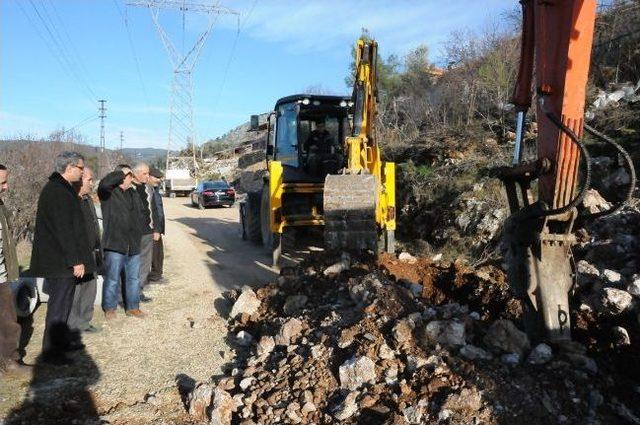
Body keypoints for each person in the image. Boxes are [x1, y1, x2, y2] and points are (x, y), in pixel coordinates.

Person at [30, 152, 96, 365]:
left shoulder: (62, 188)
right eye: (80, 167)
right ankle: (52, 354)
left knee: (63, 306)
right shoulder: (57, 191)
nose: (82, 171)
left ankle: (60, 344)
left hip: (61, 261)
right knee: (58, 308)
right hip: (59, 262)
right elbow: (64, 230)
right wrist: (75, 260)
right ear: (69, 168)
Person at [98, 165, 145, 319]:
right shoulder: (108, 193)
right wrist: (121, 172)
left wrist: (138, 232)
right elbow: (105, 183)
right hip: (115, 244)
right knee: (112, 279)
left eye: (131, 175)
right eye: (127, 175)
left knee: (133, 278)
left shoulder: (133, 193)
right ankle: (110, 308)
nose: (130, 178)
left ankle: (132, 307)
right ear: (119, 176)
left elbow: (140, 214)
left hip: (133, 244)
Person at [0, 164, 30, 377]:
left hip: (1, 275)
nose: (6, 187)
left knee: (8, 320)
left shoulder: (0, 205)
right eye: (2, 182)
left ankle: (9, 362)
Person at [68, 167, 101, 334]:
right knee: (76, 291)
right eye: (89, 180)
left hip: (92, 253)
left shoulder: (87, 199)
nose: (92, 183)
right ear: (79, 180)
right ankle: (72, 325)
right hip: (77, 256)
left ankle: (84, 322)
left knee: (90, 289)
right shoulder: (69, 200)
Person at [131, 163, 160, 300]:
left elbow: (154, 210)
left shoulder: (148, 189)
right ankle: (129, 293)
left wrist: (157, 229)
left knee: (145, 264)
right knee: (132, 264)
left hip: (148, 232)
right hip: (133, 233)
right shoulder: (128, 188)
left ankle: (139, 291)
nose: (148, 176)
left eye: (148, 173)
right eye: (145, 174)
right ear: (135, 174)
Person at [148, 167, 166, 284]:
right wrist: (156, 229)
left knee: (158, 253)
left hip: (157, 228)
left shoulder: (154, 190)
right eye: (156, 177)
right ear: (149, 176)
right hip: (152, 229)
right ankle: (153, 276)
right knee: (153, 254)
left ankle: (157, 275)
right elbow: (152, 211)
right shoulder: (148, 191)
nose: (159, 180)